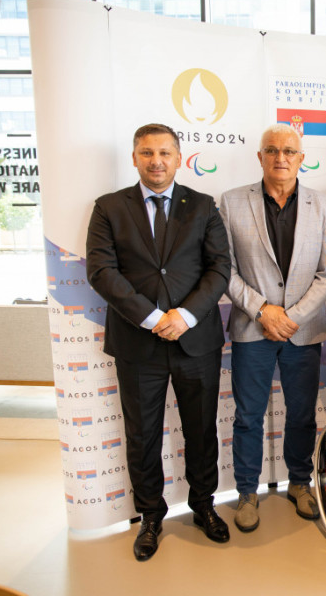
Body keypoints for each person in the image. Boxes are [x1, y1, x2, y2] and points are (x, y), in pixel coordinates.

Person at [86, 123, 231, 561]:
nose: (156, 161)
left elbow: (219, 268)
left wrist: (184, 316)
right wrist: (153, 318)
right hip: (137, 342)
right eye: (147, 153)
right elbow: (101, 271)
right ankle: (150, 516)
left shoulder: (203, 205)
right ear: (134, 158)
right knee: (143, 434)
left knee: (201, 430)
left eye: (165, 152)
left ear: (179, 158)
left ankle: (203, 505)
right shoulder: (109, 208)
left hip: (195, 340)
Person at [219, 124, 326, 532]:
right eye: (271, 150)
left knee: (302, 414)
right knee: (248, 415)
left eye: (289, 151)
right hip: (252, 328)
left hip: (302, 331)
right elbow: (225, 270)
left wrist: (291, 317)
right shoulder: (232, 202)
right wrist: (262, 311)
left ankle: (300, 483)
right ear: (260, 157)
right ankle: (247, 492)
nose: (280, 157)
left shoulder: (323, 205)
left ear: (301, 158)